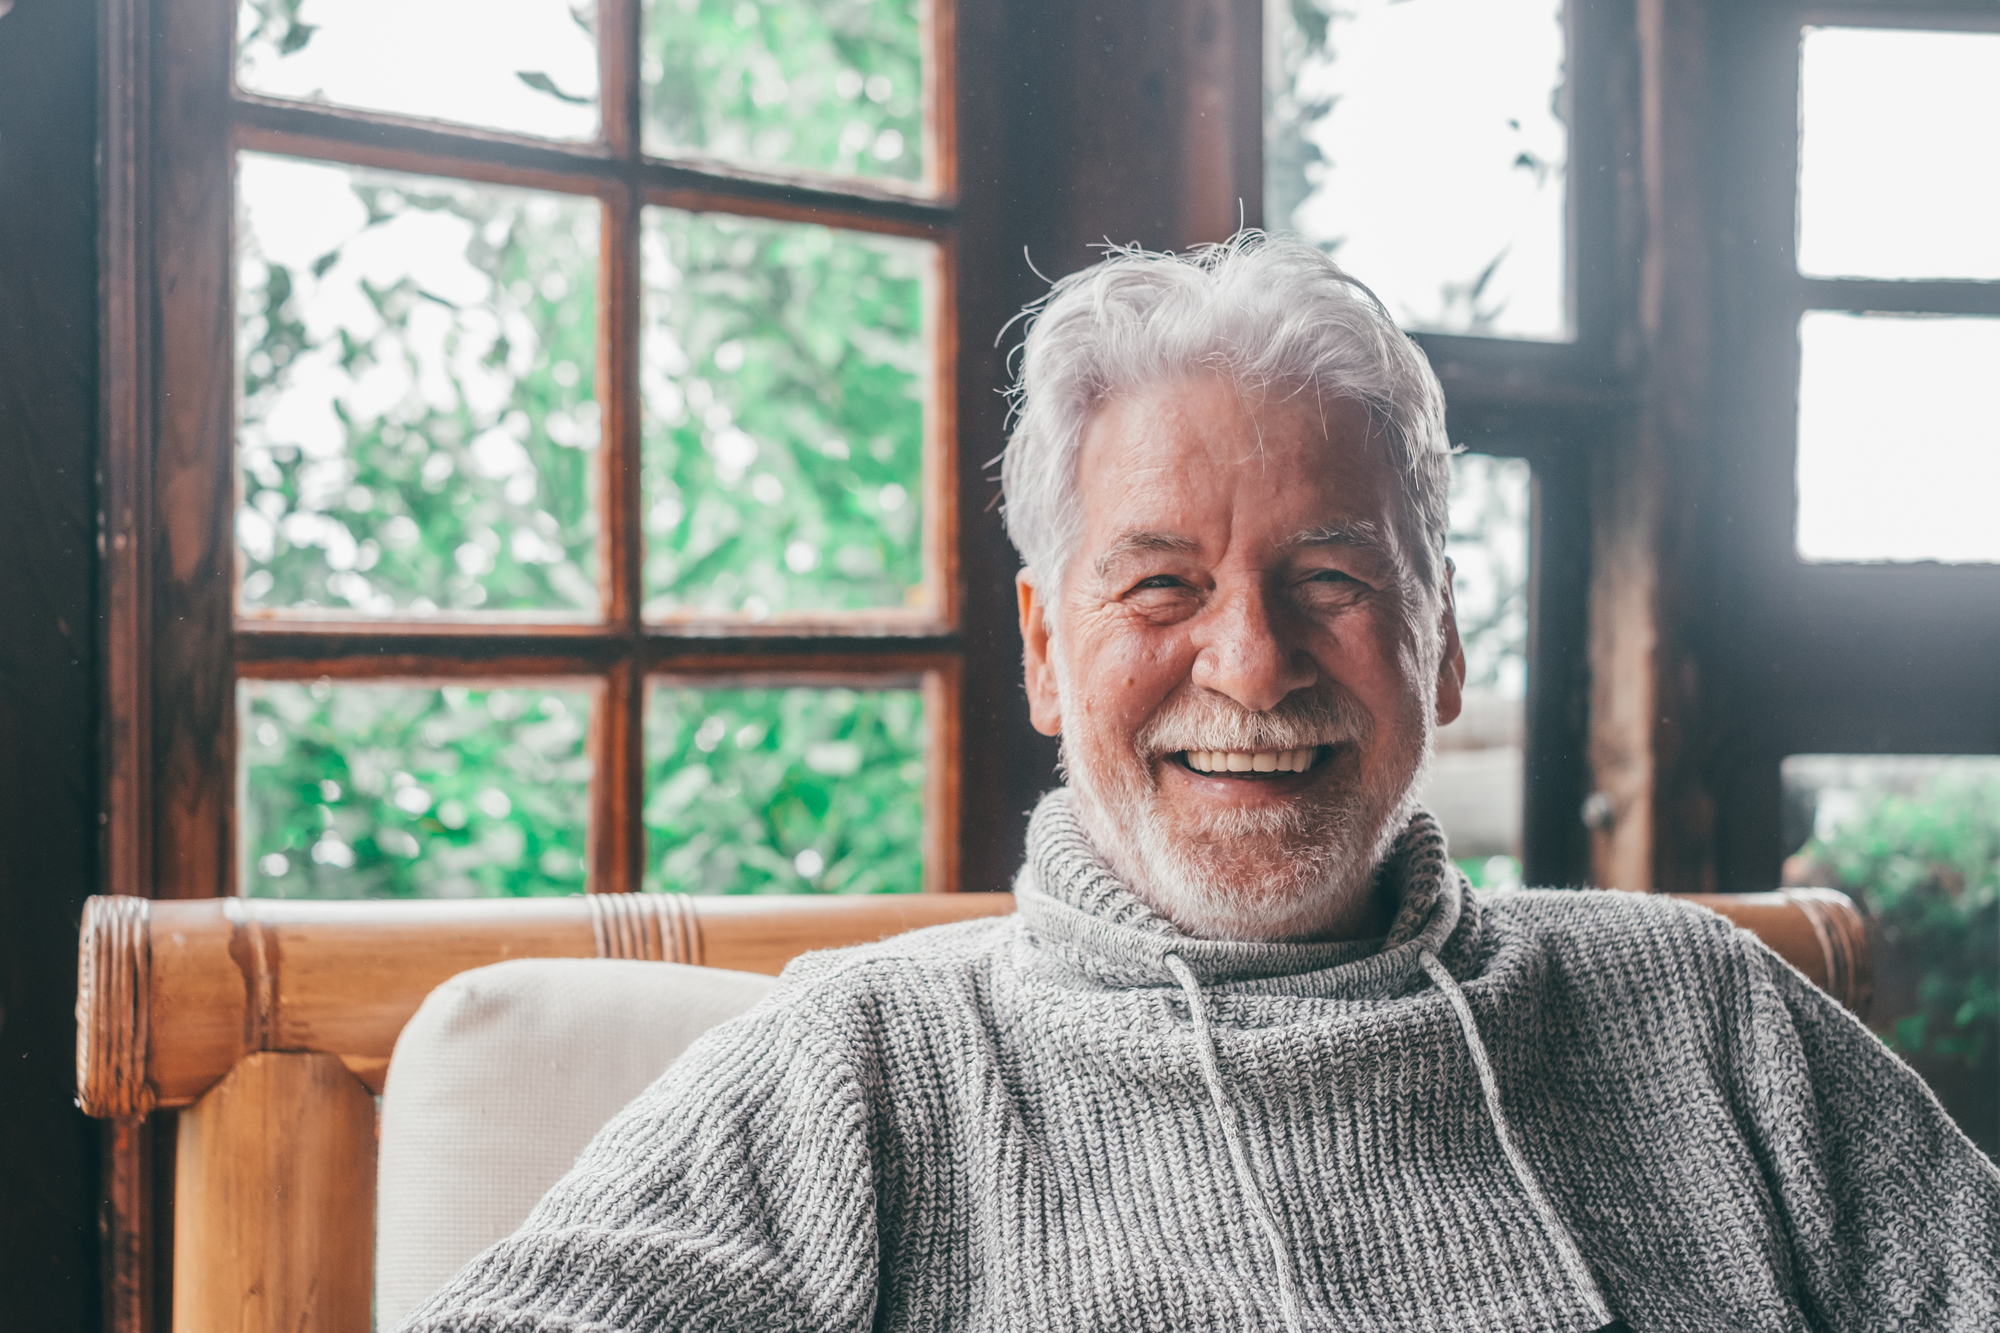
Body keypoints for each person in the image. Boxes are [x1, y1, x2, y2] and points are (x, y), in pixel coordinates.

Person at [400, 235, 2000, 1332]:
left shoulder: (1707, 1011)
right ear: (1044, 649)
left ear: (1439, 640)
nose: (1250, 663)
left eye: (1331, 579)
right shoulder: (865, 1068)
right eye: (1160, 587)